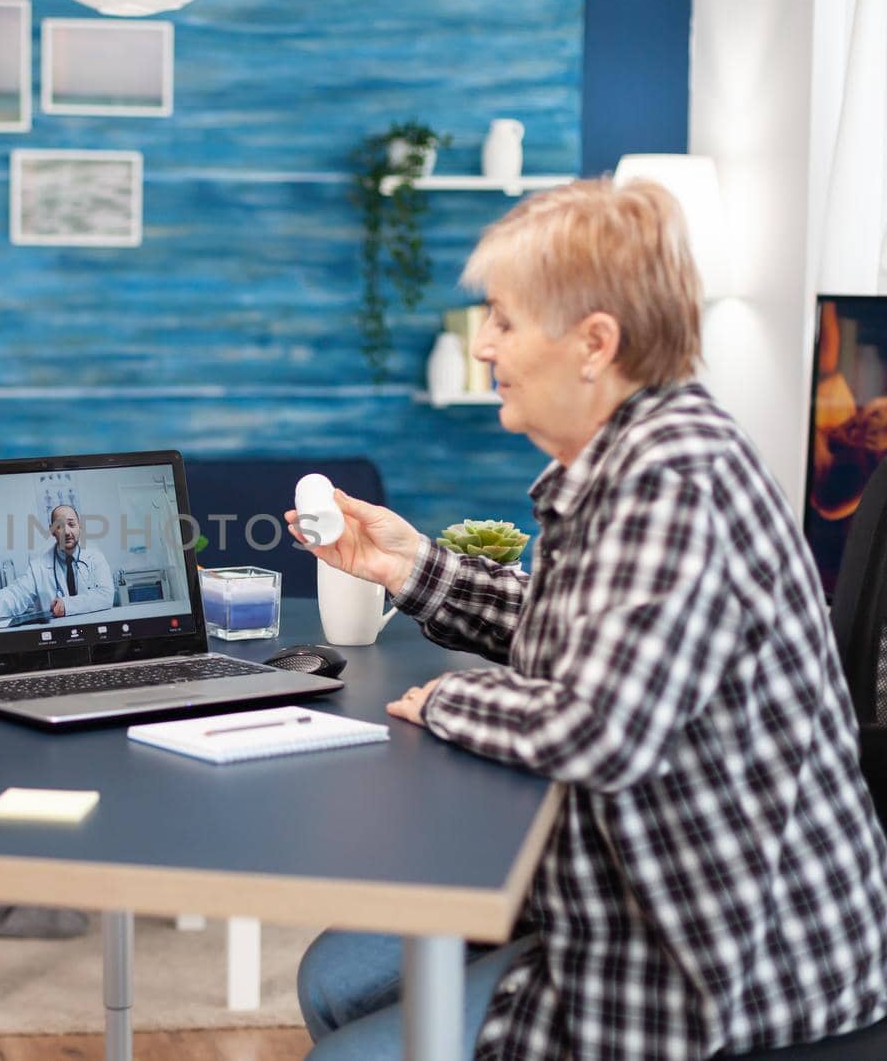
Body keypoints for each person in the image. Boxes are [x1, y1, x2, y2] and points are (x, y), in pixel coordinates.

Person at [289, 179, 887, 1059]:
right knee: (333, 979)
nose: (482, 342)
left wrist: (448, 701)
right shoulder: (632, 459)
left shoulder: (670, 482)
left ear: (593, 344)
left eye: (502, 317)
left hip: (720, 962)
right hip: (631, 888)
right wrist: (407, 566)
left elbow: (601, 728)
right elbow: (585, 628)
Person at [0, 504, 114, 621]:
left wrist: (67, 605)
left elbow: (106, 595)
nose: (67, 532)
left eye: (71, 524)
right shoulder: (39, 566)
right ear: (53, 531)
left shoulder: (95, 558)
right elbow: (17, 594)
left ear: (80, 526)